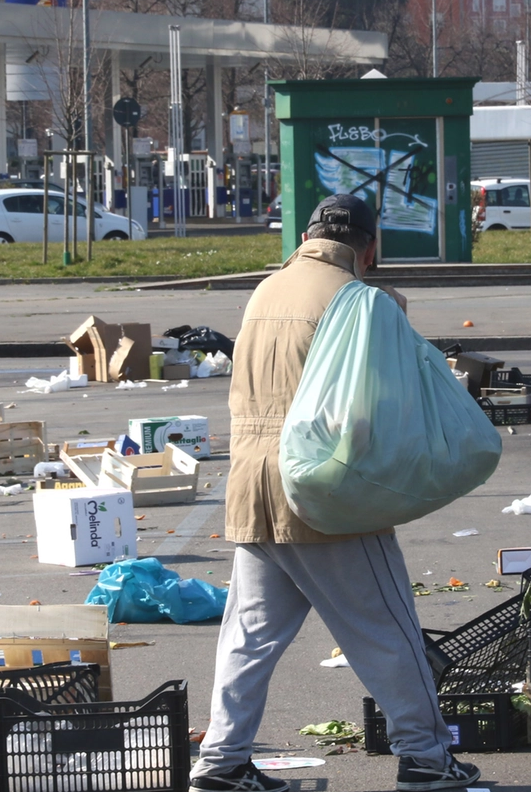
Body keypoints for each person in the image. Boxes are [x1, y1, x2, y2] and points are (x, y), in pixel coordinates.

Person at [190, 193, 478, 792]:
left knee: (248, 638)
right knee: (388, 628)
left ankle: (221, 763)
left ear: (308, 234)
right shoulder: (359, 300)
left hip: (251, 486)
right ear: (370, 247)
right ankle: (427, 758)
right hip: (321, 493)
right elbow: (375, 405)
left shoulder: (266, 290)